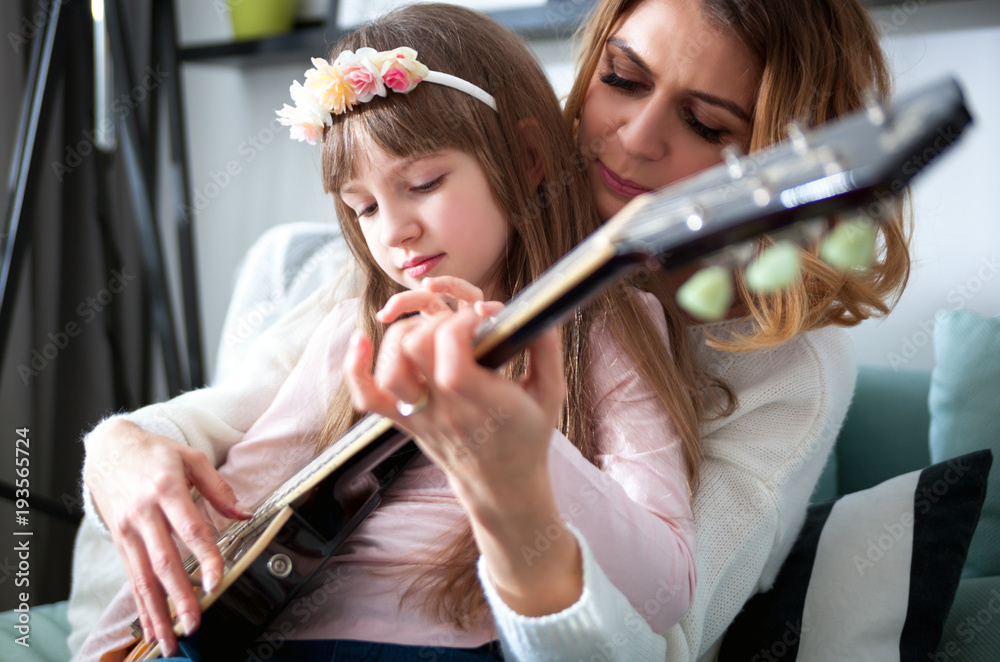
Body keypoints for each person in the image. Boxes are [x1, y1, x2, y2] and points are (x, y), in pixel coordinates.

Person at [74, 0, 912, 660]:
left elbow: (659, 635)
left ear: (772, 156)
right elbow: (245, 431)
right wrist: (119, 448)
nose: (637, 136)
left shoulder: (779, 369)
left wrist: (518, 480)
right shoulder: (431, 252)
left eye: (706, 123)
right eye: (623, 77)